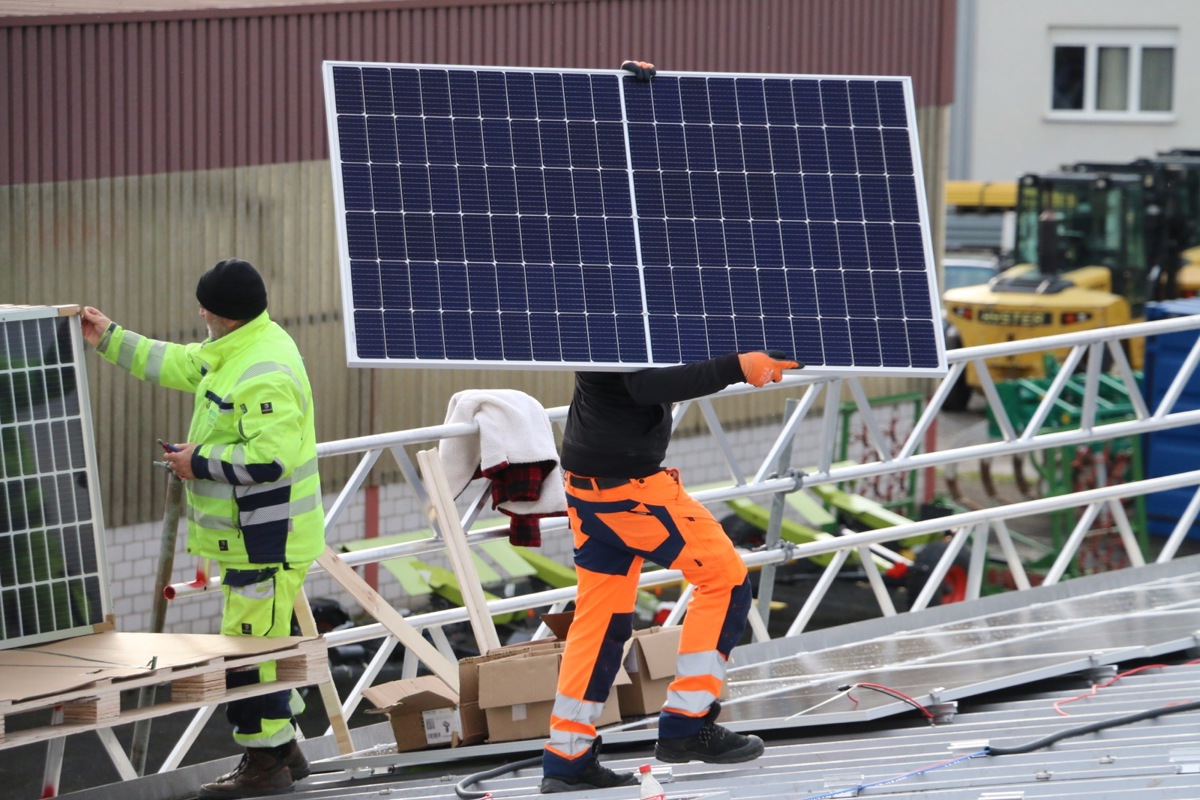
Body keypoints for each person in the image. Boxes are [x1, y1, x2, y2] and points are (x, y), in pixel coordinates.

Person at [80, 258, 325, 799]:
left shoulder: (262, 369)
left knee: (247, 659)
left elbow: (271, 460)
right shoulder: (238, 349)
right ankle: (284, 752)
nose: (200, 315)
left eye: (207, 310)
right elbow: (179, 362)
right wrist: (109, 338)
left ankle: (264, 765)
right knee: (262, 647)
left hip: (266, 540)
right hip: (259, 537)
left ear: (228, 318)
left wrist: (199, 461)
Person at [540, 350, 799, 793]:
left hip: (588, 488)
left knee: (600, 623)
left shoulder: (602, 295)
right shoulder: (616, 309)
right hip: (628, 492)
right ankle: (687, 722)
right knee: (726, 581)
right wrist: (737, 366)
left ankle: (568, 756)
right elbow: (647, 385)